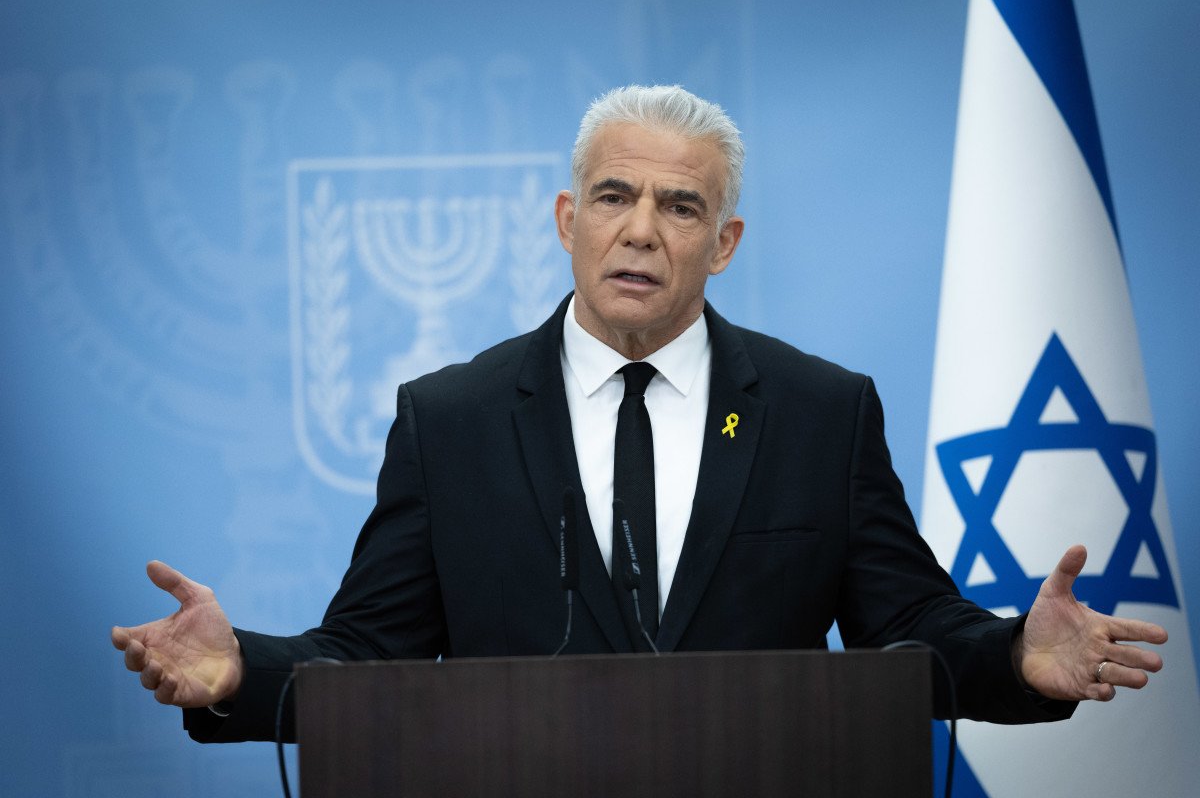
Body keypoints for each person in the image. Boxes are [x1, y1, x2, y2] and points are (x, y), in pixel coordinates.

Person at [112, 85, 1166, 743]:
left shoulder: (820, 411)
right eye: (615, 197)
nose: (642, 230)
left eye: (681, 205)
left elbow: (912, 632)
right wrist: (240, 670)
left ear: (725, 243)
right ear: (568, 220)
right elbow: (366, 652)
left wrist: (1017, 656)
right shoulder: (451, 418)